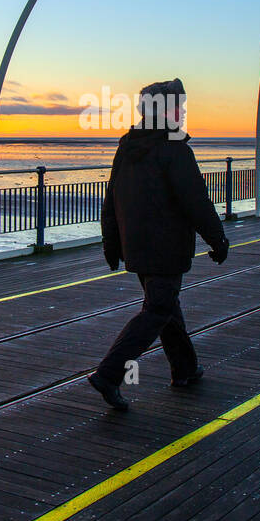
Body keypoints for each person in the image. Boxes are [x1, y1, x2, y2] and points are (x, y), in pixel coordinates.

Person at [88, 78, 229, 411]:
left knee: (166, 307)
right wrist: (218, 239)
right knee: (158, 310)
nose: (183, 112)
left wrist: (112, 244)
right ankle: (109, 374)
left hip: (137, 247)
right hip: (166, 248)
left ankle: (185, 369)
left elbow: (111, 200)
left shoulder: (127, 147)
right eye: (178, 106)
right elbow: (196, 201)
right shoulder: (174, 149)